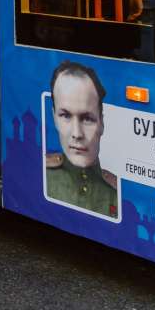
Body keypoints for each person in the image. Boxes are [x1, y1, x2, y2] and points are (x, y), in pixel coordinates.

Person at [45, 61, 118, 218]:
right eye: (65, 116)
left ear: (102, 123)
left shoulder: (116, 192)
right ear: (54, 118)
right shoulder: (43, 176)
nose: (77, 134)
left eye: (87, 119)